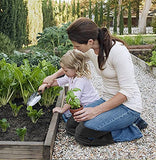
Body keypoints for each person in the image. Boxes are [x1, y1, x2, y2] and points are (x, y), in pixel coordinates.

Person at [40, 17, 148, 146]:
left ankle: (131, 129)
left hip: (128, 106)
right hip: (108, 99)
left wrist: (95, 111)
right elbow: (72, 63)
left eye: (77, 46)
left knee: (83, 135)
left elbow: (126, 92)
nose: (75, 49)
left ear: (90, 41)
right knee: (72, 126)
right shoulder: (90, 49)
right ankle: (115, 122)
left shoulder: (118, 52)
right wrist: (53, 76)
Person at [38, 49, 101, 124]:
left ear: (76, 68)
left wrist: (62, 109)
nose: (64, 72)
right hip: (81, 104)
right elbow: (58, 82)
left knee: (70, 120)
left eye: (66, 70)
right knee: (68, 116)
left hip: (90, 106)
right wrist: (45, 84)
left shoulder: (80, 80)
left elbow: (72, 99)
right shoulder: (71, 75)